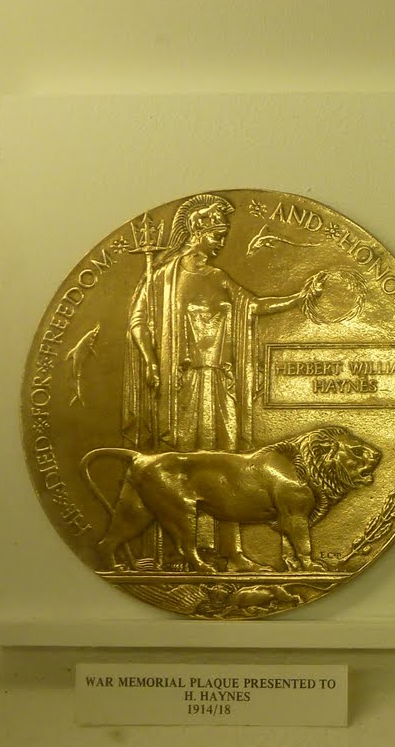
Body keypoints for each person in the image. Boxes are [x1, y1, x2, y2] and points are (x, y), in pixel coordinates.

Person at [121, 193, 314, 570]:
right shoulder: (161, 279)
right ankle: (181, 551)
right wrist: (151, 362)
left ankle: (232, 551)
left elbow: (252, 307)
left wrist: (297, 298)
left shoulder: (218, 278)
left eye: (224, 235)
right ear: (197, 229)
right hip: (181, 387)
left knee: (229, 467)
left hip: (220, 385)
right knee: (180, 467)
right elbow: (138, 323)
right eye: (218, 234)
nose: (222, 242)